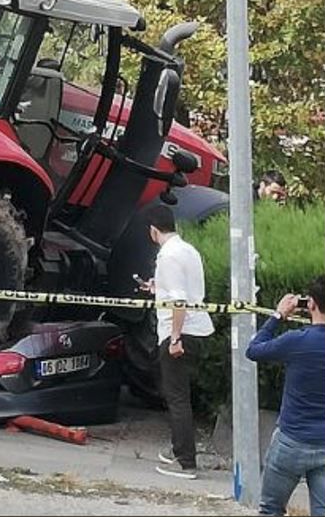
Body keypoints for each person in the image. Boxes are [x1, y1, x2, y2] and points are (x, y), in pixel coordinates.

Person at [144, 205, 214, 479]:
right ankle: (178, 450)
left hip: (179, 332)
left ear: (153, 230)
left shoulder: (168, 256)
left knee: (177, 398)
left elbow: (179, 300)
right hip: (198, 328)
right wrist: (156, 287)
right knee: (180, 396)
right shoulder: (188, 250)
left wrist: (174, 337)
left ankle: (186, 462)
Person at [246, 276, 325, 516]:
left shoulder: (296, 341)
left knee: (271, 508)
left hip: (291, 440)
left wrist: (278, 315)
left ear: (310, 304)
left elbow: (254, 350)